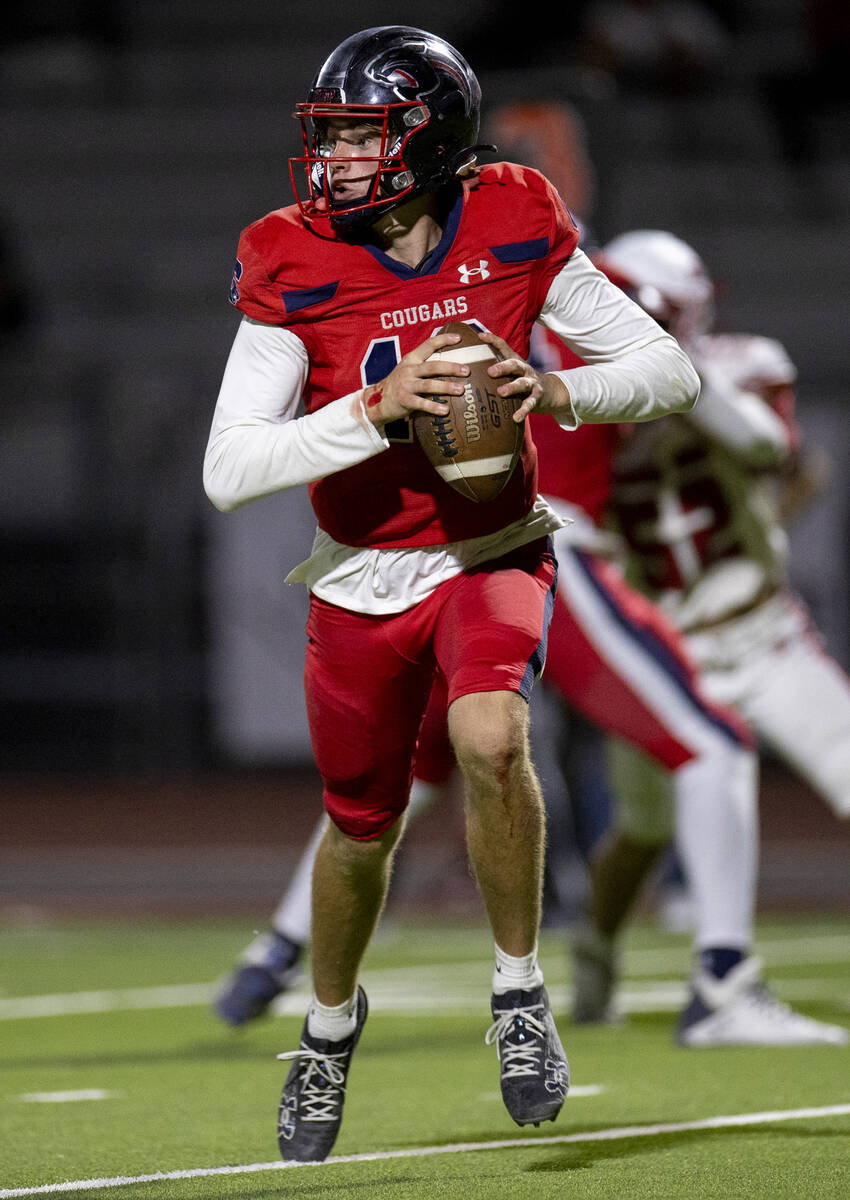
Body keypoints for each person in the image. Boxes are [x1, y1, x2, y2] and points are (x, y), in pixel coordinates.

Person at [203, 25, 700, 1163]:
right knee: (360, 833)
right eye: (327, 136)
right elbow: (229, 470)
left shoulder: (516, 216)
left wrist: (557, 391)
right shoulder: (291, 253)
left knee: (489, 734)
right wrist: (371, 414)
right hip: (360, 577)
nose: (333, 158)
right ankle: (328, 1030)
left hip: (494, 547)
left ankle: (519, 996)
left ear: (428, 139)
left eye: (358, 135)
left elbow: (666, 369)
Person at [570, 228, 850, 1039]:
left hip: (761, 633)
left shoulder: (737, 362)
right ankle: (596, 951)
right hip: (665, 648)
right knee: (646, 830)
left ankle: (723, 978)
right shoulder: (583, 390)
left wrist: (675, 374)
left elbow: (774, 446)